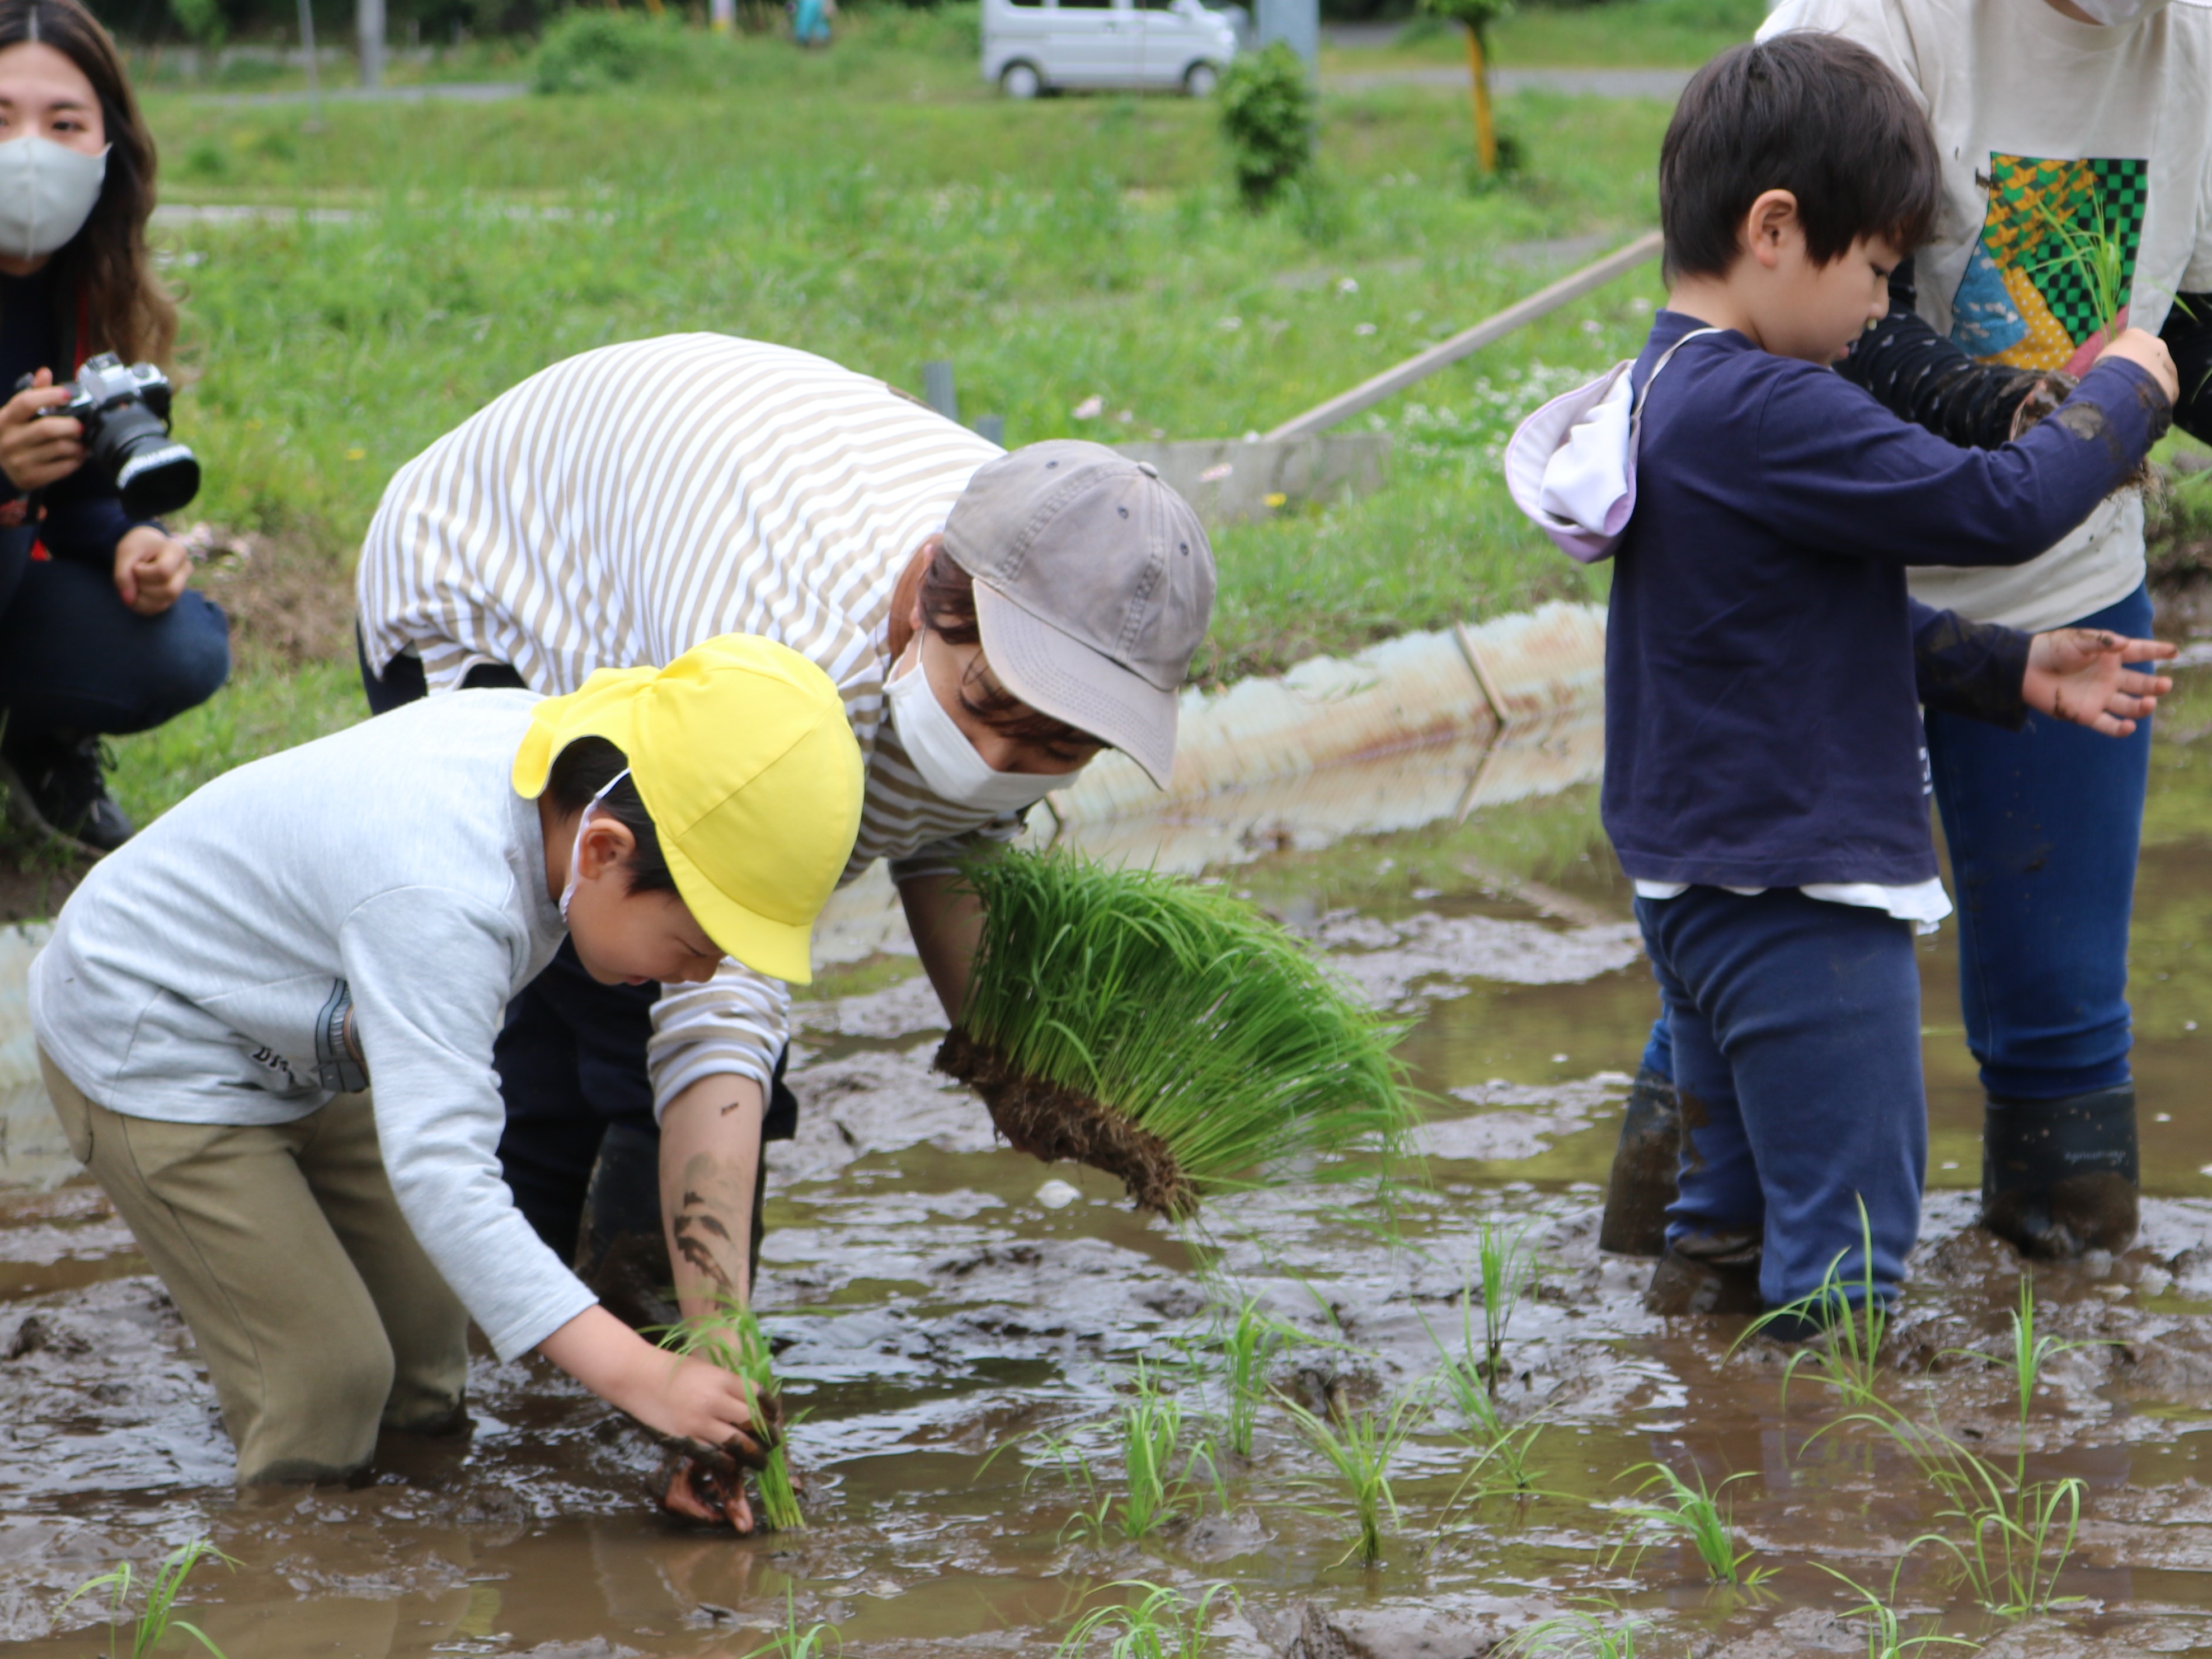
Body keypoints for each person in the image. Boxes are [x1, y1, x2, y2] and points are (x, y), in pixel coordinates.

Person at [354, 334, 1214, 1325]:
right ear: (921, 595)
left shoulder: (1061, 617)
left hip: (697, 505)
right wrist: (721, 1342)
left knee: (592, 1026)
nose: (1000, 756)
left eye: (1058, 745)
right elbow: (718, 1006)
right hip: (497, 571)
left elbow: (953, 840)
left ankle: (546, 1335)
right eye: (984, 706)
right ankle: (601, 1351)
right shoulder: (788, 661)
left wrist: (1019, 1073)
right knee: (616, 1001)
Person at [1525, 33, 2176, 1319]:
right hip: (1806, 899)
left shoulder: (1665, 390)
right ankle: (1830, 1452)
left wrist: (2014, 668)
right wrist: (2127, 392)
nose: (1884, 310)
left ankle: (1692, 1417)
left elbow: (1798, 624)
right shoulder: (1780, 408)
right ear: (1775, 229)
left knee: (1723, 1225)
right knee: (1851, 1251)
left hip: (1694, 887)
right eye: (1878, 271)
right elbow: (2004, 506)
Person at [29, 634, 865, 1528]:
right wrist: (646, 1379)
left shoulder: (562, 769)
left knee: (426, 1358)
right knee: (330, 1379)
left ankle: (411, 1547)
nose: (695, 977)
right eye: (695, 945)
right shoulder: (448, 894)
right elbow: (445, 1176)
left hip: (311, 1026)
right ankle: (289, 1561)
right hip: (153, 1040)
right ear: (603, 849)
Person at [0, 0, 226, 852]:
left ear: (108, 147)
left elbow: (81, 499)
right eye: (0, 119)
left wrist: (134, 537)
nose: (29, 151)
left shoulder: (94, 286)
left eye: (63, 124)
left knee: (183, 646)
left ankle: (41, 741)